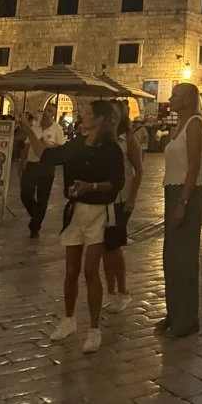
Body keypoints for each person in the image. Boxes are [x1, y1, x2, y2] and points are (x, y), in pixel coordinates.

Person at [20, 100, 124, 353]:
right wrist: (27, 129)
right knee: (70, 270)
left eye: (87, 113)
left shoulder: (111, 148)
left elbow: (117, 181)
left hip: (99, 211)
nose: (82, 116)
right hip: (75, 211)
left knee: (90, 271)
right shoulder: (77, 144)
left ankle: (94, 328)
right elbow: (46, 154)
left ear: (99, 119)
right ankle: (68, 320)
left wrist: (93, 187)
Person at [160, 83, 202, 338]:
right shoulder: (179, 125)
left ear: (187, 100)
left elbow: (194, 167)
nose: (170, 98)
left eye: (175, 95)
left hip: (186, 193)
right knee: (171, 256)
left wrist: (183, 202)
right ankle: (174, 312)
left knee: (185, 258)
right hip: (172, 190)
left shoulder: (195, 125)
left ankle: (188, 319)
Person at [103, 101, 144, 313]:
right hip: (103, 199)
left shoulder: (128, 139)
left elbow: (139, 170)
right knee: (103, 246)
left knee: (114, 246)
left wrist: (132, 199)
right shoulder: (104, 139)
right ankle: (110, 290)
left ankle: (123, 290)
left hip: (121, 199)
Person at [20, 102, 66, 238]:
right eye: (46, 109)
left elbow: (61, 149)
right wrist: (22, 163)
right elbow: (27, 145)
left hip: (46, 167)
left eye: (50, 111)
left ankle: (35, 226)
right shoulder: (35, 126)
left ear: (53, 114)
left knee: (42, 197)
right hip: (32, 164)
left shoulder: (57, 129)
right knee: (25, 193)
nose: (46, 113)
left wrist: (49, 147)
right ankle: (36, 215)